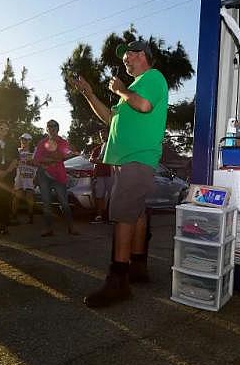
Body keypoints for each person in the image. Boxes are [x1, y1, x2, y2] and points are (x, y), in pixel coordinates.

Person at [71, 39, 169, 307]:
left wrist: (122, 90)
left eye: (130, 54)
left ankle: (118, 282)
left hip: (137, 158)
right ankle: (138, 267)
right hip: (125, 161)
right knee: (135, 214)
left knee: (122, 216)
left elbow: (144, 106)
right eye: (124, 56)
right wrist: (89, 94)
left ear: (143, 55)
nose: (125, 59)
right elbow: (108, 118)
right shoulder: (133, 89)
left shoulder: (153, 78)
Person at [34, 120, 79, 237]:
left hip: (59, 175)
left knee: (64, 202)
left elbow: (64, 155)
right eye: (49, 126)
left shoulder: (63, 142)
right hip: (44, 175)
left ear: (58, 128)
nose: (52, 128)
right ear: (46, 129)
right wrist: (53, 159)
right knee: (46, 203)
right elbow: (36, 159)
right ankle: (48, 228)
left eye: (54, 126)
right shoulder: (42, 142)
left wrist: (47, 159)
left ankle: (71, 226)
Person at [11, 133, 37, 224]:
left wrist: (33, 163)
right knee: (17, 196)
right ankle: (14, 216)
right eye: (22, 139)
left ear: (30, 141)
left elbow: (38, 163)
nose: (23, 141)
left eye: (25, 140)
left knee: (29, 196)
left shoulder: (35, 151)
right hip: (19, 176)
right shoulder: (17, 151)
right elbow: (13, 163)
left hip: (30, 176)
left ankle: (31, 216)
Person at [89, 128, 112, 224]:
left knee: (112, 195)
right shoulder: (97, 148)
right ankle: (99, 216)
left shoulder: (113, 146)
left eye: (104, 134)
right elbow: (91, 159)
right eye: (101, 135)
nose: (103, 136)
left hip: (111, 174)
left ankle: (111, 216)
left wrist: (101, 161)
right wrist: (98, 161)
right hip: (99, 175)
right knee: (99, 196)